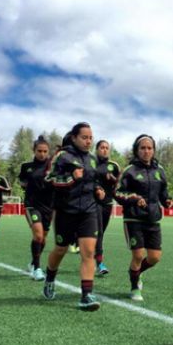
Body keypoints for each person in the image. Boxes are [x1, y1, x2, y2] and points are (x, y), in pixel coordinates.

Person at [42, 122, 105, 311]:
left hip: (89, 210)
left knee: (88, 252)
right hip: (66, 211)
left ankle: (86, 295)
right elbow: (48, 180)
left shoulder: (92, 159)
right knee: (60, 249)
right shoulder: (62, 156)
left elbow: (94, 180)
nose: (88, 141)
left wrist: (98, 189)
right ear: (74, 137)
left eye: (90, 138)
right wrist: (71, 178)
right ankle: (50, 278)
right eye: (84, 137)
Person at [114, 134, 173, 301]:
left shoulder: (160, 170)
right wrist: (134, 198)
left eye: (149, 148)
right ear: (137, 150)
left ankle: (135, 272)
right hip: (133, 219)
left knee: (155, 258)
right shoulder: (129, 171)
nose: (146, 151)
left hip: (153, 219)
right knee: (138, 255)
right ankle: (135, 288)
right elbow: (118, 193)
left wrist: (168, 201)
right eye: (143, 148)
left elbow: (163, 193)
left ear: (154, 150)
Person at [18, 135, 54, 280]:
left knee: (43, 239)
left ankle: (33, 262)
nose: (42, 154)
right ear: (34, 150)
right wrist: (26, 185)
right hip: (32, 205)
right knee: (38, 235)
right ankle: (37, 269)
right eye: (39, 151)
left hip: (48, 207)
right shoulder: (26, 167)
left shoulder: (53, 167)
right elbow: (22, 180)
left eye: (45, 151)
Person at [93, 139, 121, 275]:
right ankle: (100, 264)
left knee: (100, 233)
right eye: (102, 147)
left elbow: (119, 184)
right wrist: (97, 188)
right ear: (97, 149)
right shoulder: (91, 163)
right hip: (93, 202)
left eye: (106, 148)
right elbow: (87, 180)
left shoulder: (114, 166)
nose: (104, 150)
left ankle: (90, 253)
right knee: (98, 232)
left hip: (108, 203)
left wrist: (114, 180)